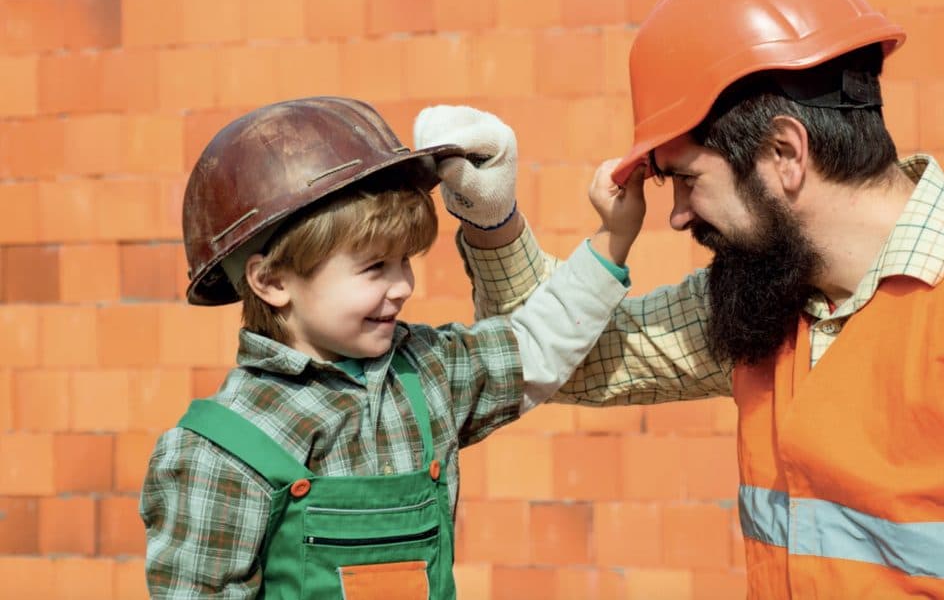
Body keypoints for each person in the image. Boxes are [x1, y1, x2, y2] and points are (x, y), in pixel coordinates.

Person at [416, 0, 944, 597]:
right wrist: (493, 220)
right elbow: (565, 359)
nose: (676, 215)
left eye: (686, 178)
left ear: (784, 153)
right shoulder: (771, 299)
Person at [139, 96, 645, 598]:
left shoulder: (429, 373)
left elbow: (537, 344)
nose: (403, 286)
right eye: (374, 267)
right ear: (271, 281)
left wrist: (613, 238)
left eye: (405, 261)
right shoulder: (218, 451)